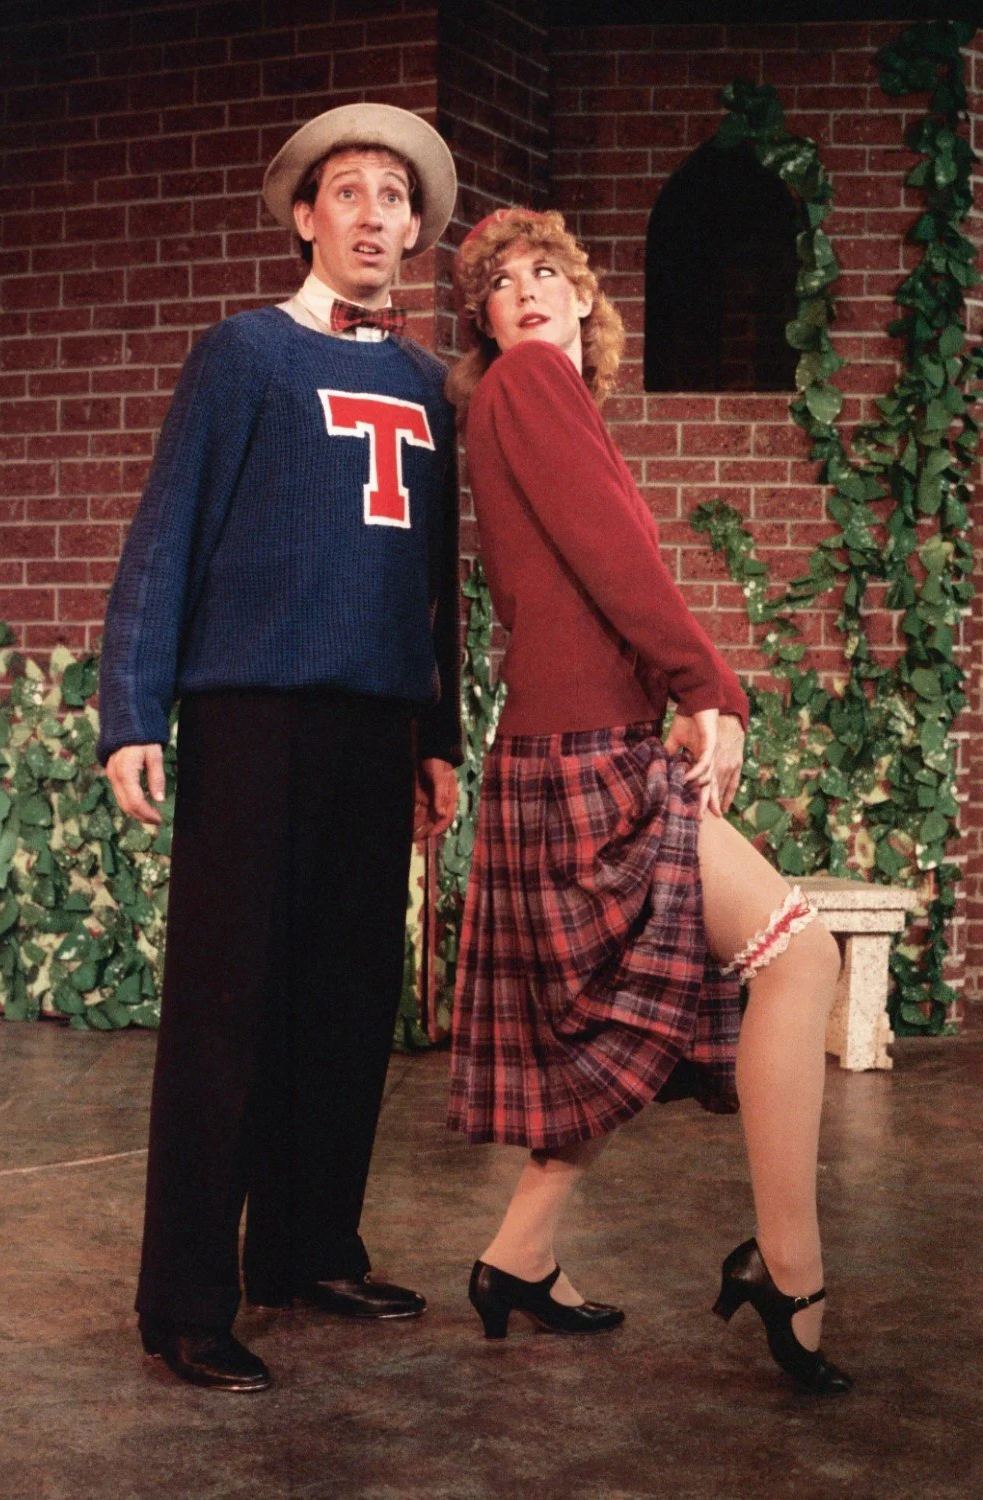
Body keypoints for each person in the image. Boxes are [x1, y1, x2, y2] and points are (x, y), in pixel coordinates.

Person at [445, 207, 852, 1396]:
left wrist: (677, 698)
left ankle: (517, 1256)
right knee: (796, 955)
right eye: (497, 284)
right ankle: (789, 1267)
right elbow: (617, 565)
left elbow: (599, 574)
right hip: (580, 753)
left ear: (585, 301)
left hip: (585, 739)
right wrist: (708, 682)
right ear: (486, 322)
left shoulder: (554, 404)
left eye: (544, 274)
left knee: (637, 1016)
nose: (522, 294)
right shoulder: (526, 384)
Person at [98, 103, 462, 1392]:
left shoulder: (425, 382)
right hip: (254, 713)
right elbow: (166, 534)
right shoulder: (241, 356)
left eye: (394, 199)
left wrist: (439, 733)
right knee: (227, 1009)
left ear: (417, 232)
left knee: (347, 1003)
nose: (372, 216)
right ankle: (186, 1297)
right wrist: (133, 711)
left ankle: (308, 1247)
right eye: (348, 192)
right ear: (306, 215)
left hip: (377, 723)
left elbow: (438, 580)